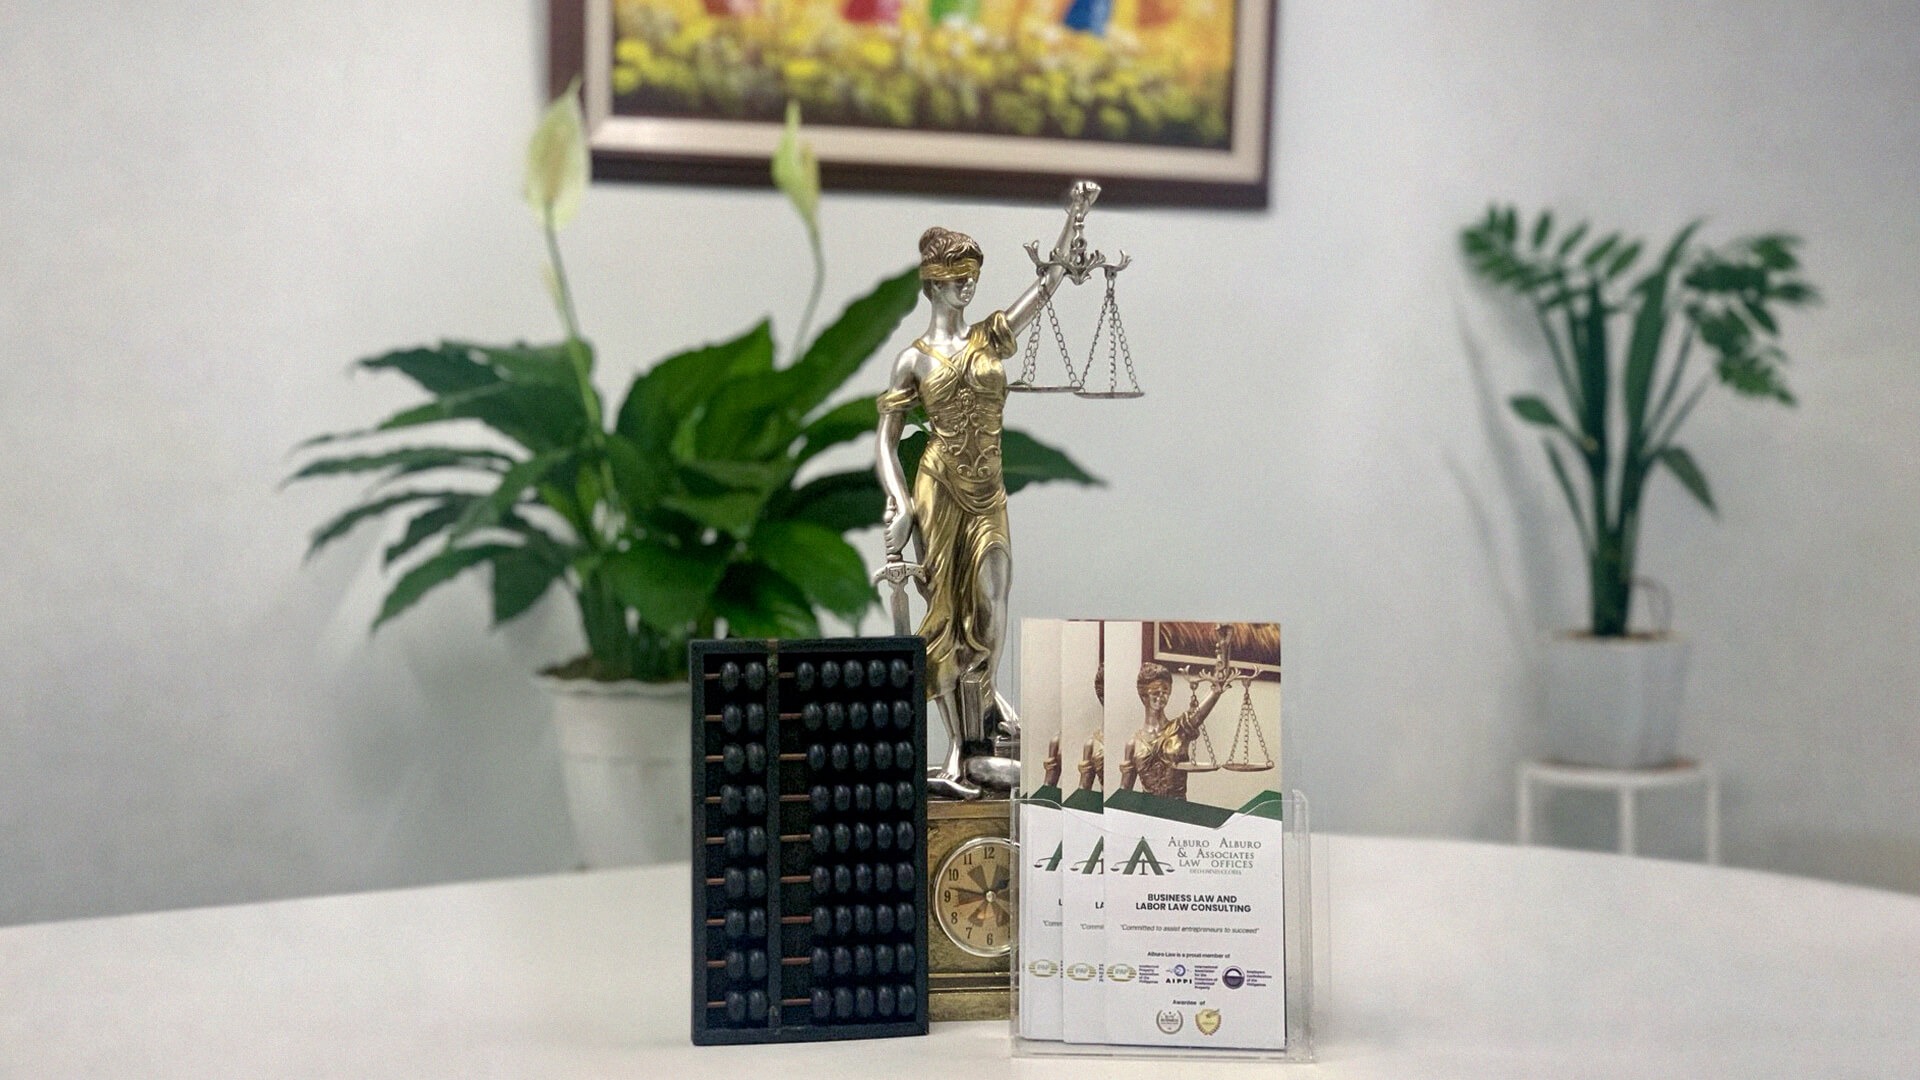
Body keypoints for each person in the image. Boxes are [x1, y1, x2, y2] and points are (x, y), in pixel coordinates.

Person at [875, 181, 1098, 799]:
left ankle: (986, 696)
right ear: (932, 284)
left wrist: (1072, 221)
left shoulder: (989, 337)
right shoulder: (912, 360)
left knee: (994, 605)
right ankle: (958, 750)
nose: (967, 288)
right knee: (945, 615)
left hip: (990, 491)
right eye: (956, 279)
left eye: (973, 277)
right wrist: (897, 506)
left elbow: (1046, 290)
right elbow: (886, 440)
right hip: (938, 490)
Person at [1119, 624, 1232, 800]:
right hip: (1147, 815)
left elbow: (1215, 690)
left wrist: (1223, 652)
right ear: (1143, 696)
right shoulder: (1133, 744)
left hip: (1179, 812)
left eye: (1165, 691)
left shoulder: (1180, 728)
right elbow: (1124, 795)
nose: (1161, 697)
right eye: (1155, 692)